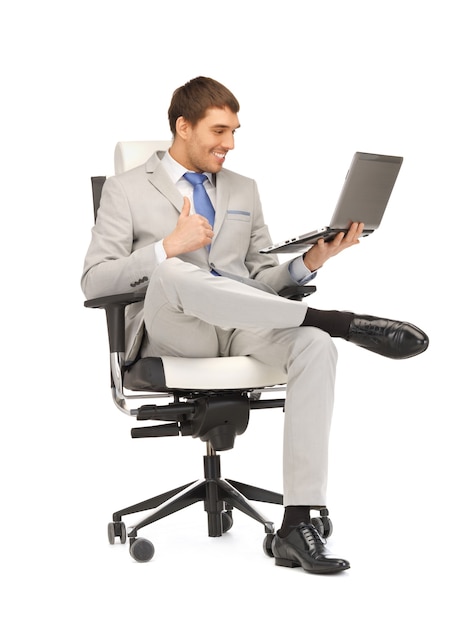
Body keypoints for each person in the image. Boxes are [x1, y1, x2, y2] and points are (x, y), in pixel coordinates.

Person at [81, 76, 428, 575]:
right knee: (176, 270)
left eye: (235, 132)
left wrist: (310, 261)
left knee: (313, 346)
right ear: (183, 126)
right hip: (173, 326)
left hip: (245, 319)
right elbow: (93, 282)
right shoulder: (126, 189)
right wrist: (164, 248)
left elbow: (259, 276)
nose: (230, 144)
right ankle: (340, 322)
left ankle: (298, 521)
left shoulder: (244, 188)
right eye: (219, 131)